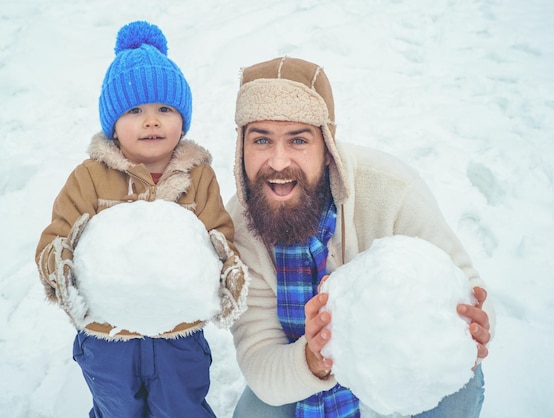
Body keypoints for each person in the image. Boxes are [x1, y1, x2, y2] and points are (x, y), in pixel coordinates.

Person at [226, 56, 494, 417]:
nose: (277, 162)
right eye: (261, 140)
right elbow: (260, 359)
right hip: (304, 371)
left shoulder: (390, 189)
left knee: (460, 384)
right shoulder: (241, 225)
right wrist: (313, 359)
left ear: (327, 150)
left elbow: (469, 286)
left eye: (298, 140)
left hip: (399, 365)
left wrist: (476, 322)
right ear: (242, 149)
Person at [35, 21, 248, 418]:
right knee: (117, 408)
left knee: (182, 405)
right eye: (135, 110)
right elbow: (56, 236)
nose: (151, 121)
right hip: (107, 338)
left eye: (164, 109)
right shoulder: (90, 177)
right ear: (113, 124)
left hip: (178, 334)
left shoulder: (197, 176)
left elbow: (219, 232)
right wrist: (59, 265)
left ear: (182, 120)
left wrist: (226, 267)